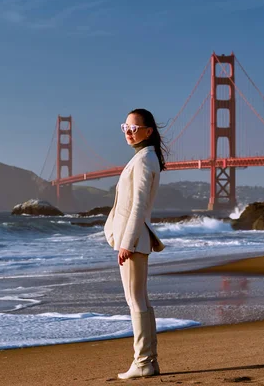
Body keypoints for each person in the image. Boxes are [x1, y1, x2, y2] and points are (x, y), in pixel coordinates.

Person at [104, 108, 167, 379]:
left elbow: (138, 206)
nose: (128, 132)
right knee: (140, 300)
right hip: (136, 239)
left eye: (133, 127)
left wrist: (126, 243)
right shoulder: (146, 157)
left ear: (148, 131)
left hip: (134, 240)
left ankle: (142, 361)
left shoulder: (143, 160)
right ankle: (149, 360)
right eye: (125, 127)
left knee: (135, 301)